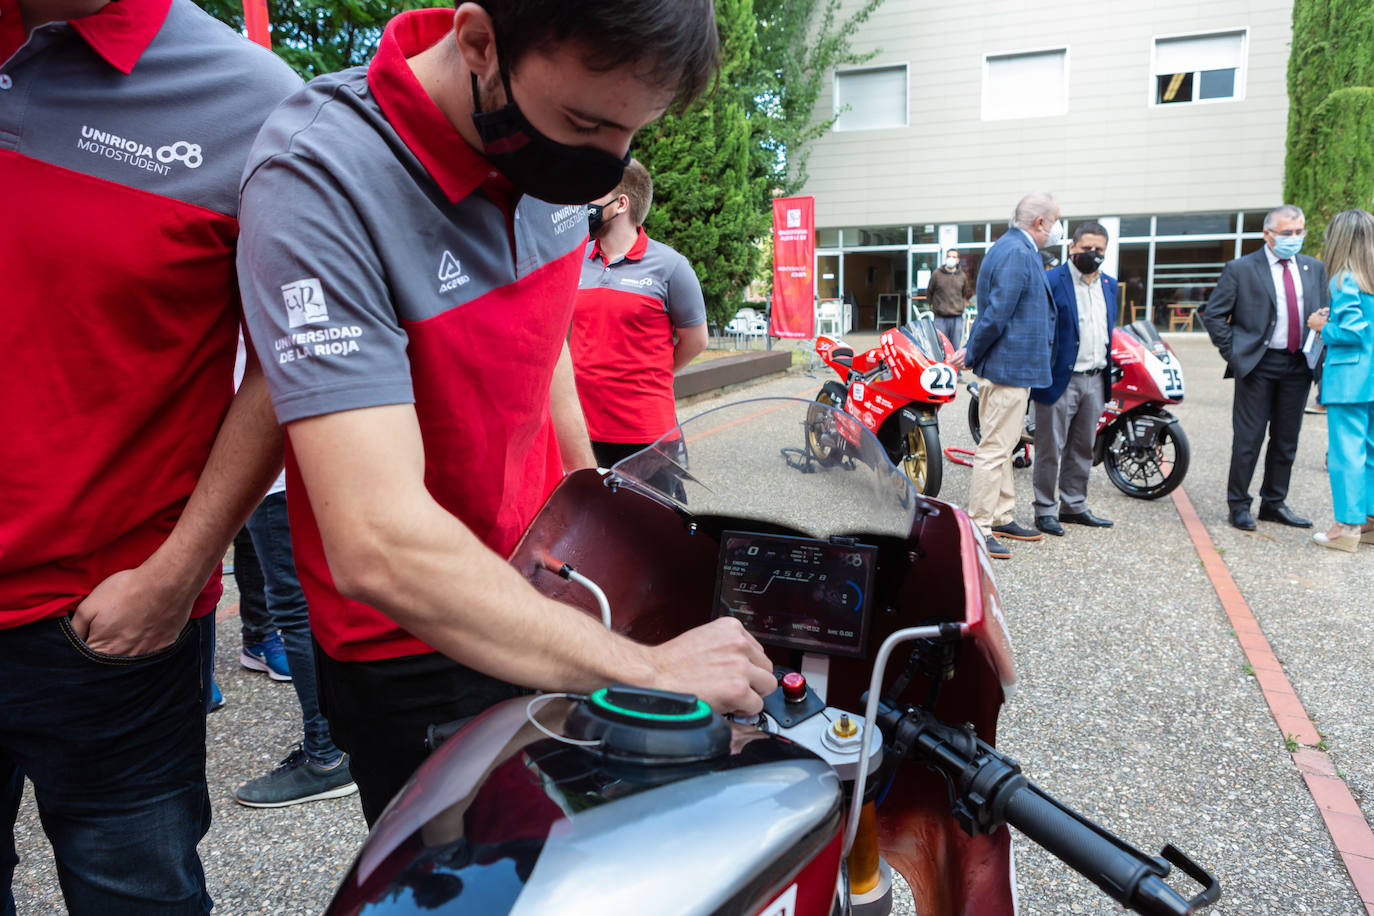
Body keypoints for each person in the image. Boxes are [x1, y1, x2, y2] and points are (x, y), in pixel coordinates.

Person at [236, 0, 776, 827]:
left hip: (551, 578)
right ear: (481, 42)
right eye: (585, 122)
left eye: (631, 135)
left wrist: (594, 500)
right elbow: (378, 545)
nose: (608, 165)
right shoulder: (326, 174)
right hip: (419, 636)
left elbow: (546, 335)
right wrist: (651, 668)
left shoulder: (554, 148)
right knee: (478, 872)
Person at [1, 0, 300, 910]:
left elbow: (299, 350)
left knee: (135, 896)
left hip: (100, 623)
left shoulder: (252, 104)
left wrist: (177, 571)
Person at [571, 158, 708, 469]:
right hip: (582, 429)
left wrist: (655, 374)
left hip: (646, 436)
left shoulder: (672, 267)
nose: (584, 204)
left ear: (621, 204)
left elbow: (697, 341)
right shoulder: (576, 261)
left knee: (648, 519)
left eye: (594, 195)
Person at [1202, 204, 1329, 531]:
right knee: (1248, 439)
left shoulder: (1313, 268)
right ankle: (1239, 505)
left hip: (1298, 365)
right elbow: (1214, 315)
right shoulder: (1241, 269)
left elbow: (1323, 312)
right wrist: (1235, 353)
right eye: (1287, 233)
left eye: (1300, 232)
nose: (1294, 238)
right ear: (1267, 234)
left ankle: (1274, 502)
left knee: (1286, 439)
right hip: (1258, 365)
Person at [953, 193, 1060, 559]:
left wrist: (972, 348)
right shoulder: (1017, 252)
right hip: (1008, 368)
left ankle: (1001, 515)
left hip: (1011, 366)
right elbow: (997, 313)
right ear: (1040, 222)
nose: (1058, 227)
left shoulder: (1011, 247)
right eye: (1056, 220)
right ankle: (980, 527)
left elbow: (996, 310)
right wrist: (974, 350)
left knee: (1004, 444)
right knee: (995, 449)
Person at [1031, 222, 1117, 536]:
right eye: (1086, 249)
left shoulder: (1109, 284)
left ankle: (1074, 505)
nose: (1092, 256)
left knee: (1083, 447)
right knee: (1050, 448)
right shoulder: (1051, 280)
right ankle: (1045, 510)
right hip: (1058, 380)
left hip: (1095, 378)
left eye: (1099, 251)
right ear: (1072, 248)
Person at [1306, 209, 1374, 551]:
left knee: (1346, 453)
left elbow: (1351, 332)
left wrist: (1321, 327)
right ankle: (1370, 522)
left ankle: (1346, 526)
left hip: (1351, 378)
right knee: (1372, 451)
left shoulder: (1345, 278)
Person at [927, 248, 972, 351]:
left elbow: (964, 293)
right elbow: (930, 291)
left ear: (958, 260)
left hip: (957, 318)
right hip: (940, 318)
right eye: (949, 256)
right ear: (945, 258)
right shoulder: (937, 274)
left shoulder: (962, 276)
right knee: (940, 348)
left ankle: (953, 368)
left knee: (954, 349)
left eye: (954, 257)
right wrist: (932, 305)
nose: (951, 259)